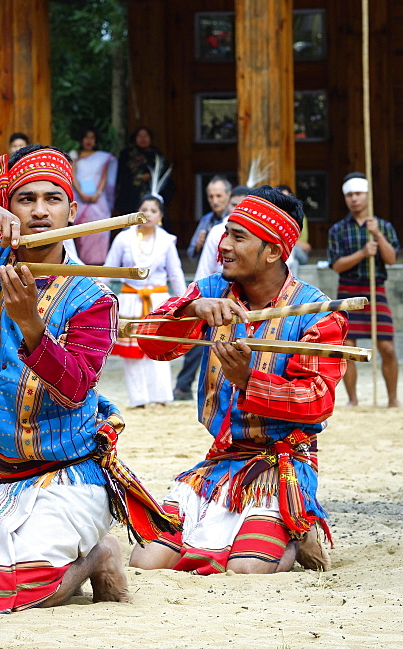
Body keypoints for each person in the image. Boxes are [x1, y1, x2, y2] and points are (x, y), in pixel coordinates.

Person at [0, 144, 177, 613]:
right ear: (8, 209)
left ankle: (99, 555)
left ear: (73, 210)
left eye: (52, 199)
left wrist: (32, 325)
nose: (39, 211)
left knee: (18, 593)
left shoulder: (94, 296)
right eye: (24, 200)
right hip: (1, 476)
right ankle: (20, 556)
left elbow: (75, 388)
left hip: (67, 477)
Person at [128, 186, 344, 575]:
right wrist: (191, 308)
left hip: (281, 465)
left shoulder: (318, 313)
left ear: (274, 251)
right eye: (225, 233)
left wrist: (248, 379)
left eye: (237, 237)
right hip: (221, 462)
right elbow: (149, 342)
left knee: (246, 569)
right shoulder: (212, 291)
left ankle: (297, 526)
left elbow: (316, 403)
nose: (223, 245)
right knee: (145, 562)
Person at [105, 194, 185, 408]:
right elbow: (109, 269)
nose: (148, 214)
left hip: (158, 301)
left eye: (153, 210)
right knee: (132, 352)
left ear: (160, 215)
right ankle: (138, 398)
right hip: (131, 298)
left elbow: (175, 274)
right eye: (145, 209)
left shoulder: (167, 240)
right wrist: (96, 295)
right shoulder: (124, 238)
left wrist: (186, 304)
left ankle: (161, 397)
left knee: (159, 348)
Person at [327, 172, 400, 407]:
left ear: (367, 196)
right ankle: (353, 400)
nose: (354, 199)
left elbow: (391, 259)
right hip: (348, 290)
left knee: (387, 346)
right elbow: (337, 265)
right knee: (348, 347)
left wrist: (377, 235)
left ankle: (392, 399)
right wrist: (363, 253)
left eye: (358, 194)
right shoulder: (337, 230)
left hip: (375, 290)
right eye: (349, 194)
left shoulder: (383, 227)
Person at [174, 176, 234, 401]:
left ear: (228, 196)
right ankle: (183, 385)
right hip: (211, 286)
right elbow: (192, 253)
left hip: (238, 290)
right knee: (196, 338)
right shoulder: (208, 222)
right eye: (211, 196)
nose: (215, 201)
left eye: (219, 196)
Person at [70, 127, 118, 265]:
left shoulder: (102, 157)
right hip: (80, 200)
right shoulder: (74, 155)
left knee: (99, 231)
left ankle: (99, 265)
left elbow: (104, 177)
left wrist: (98, 193)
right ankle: (83, 266)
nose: (89, 141)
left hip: (98, 203)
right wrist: (81, 193)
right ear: (81, 139)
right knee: (81, 235)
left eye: (92, 137)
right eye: (86, 137)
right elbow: (73, 176)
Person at [195, 185, 250, 281]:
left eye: (243, 205)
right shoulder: (217, 231)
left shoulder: (258, 232)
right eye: (233, 205)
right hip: (221, 288)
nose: (237, 209)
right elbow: (204, 269)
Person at [114, 127, 173, 215]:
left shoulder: (156, 155)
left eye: (145, 136)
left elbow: (164, 174)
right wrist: (138, 177)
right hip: (130, 195)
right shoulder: (126, 154)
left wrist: (151, 176)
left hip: (151, 192)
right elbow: (121, 174)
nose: (143, 139)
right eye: (140, 136)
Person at [276, 184, 311, 277]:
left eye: (287, 197)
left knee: (293, 251)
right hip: (281, 256)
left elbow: (305, 245)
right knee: (294, 262)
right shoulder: (271, 218)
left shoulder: (299, 217)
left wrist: (285, 242)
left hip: (298, 253)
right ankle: (290, 289)